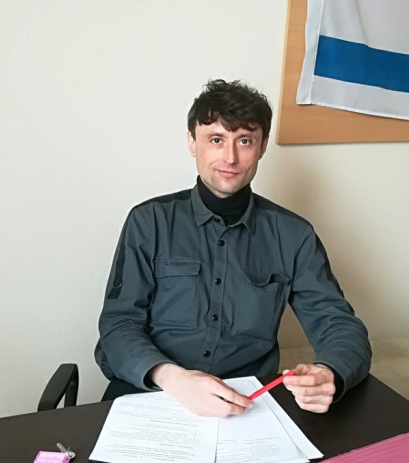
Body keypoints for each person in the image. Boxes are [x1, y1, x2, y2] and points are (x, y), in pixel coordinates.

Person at [94, 79, 371, 417]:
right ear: (192, 142)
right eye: (216, 139)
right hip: (151, 391)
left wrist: (330, 373)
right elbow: (118, 324)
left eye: (244, 141)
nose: (230, 157)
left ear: (262, 147)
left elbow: (339, 325)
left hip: (245, 404)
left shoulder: (294, 235)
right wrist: (172, 378)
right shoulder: (149, 221)